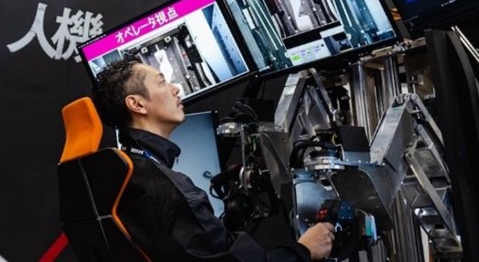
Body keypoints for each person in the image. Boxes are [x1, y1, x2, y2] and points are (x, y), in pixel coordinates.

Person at [91, 57, 335, 261]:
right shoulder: (171, 191)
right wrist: (304, 250)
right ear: (137, 104)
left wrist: (223, 224)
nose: (175, 89)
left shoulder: (121, 174)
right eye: (162, 82)